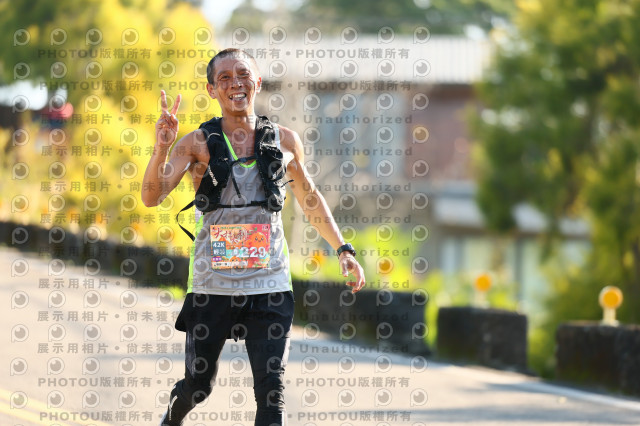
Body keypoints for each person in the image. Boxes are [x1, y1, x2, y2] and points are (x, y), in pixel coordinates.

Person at [141, 48, 366, 426]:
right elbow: (152, 196)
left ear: (257, 81)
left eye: (243, 74)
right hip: (213, 285)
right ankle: (171, 418)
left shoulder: (285, 141)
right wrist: (162, 146)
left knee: (271, 394)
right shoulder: (196, 143)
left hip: (270, 285)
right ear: (212, 90)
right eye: (224, 78)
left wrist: (343, 249)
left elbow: (310, 199)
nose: (236, 83)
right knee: (198, 385)